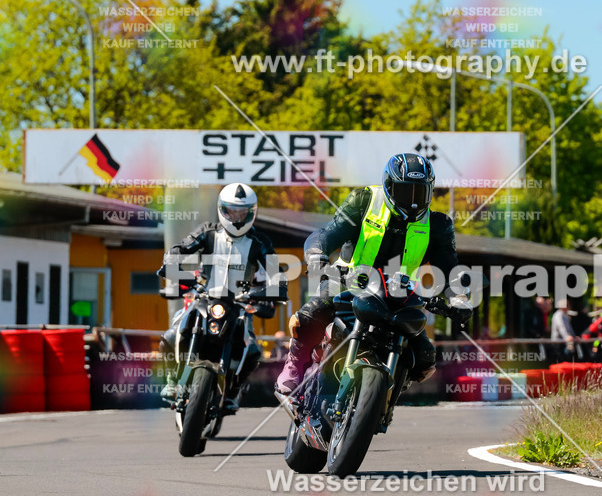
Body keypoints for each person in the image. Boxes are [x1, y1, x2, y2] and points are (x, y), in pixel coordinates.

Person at [275, 153, 473, 420]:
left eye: (420, 191)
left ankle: (385, 395)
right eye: (405, 191)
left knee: (425, 358)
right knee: (313, 313)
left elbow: (450, 269)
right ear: (389, 186)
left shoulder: (438, 225)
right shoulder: (364, 200)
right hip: (347, 281)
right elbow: (330, 232)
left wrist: (460, 298)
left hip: (399, 295)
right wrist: (317, 255)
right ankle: (294, 368)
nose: (413, 200)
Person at [157, 182, 277, 411]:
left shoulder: (261, 242)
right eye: (232, 211)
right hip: (203, 296)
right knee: (171, 334)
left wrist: (272, 291)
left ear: (252, 212)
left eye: (243, 212)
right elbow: (180, 248)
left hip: (239, 304)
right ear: (222, 210)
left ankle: (233, 392)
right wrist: (172, 263)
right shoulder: (207, 232)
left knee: (253, 350)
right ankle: (172, 380)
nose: (237, 217)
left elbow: (275, 273)